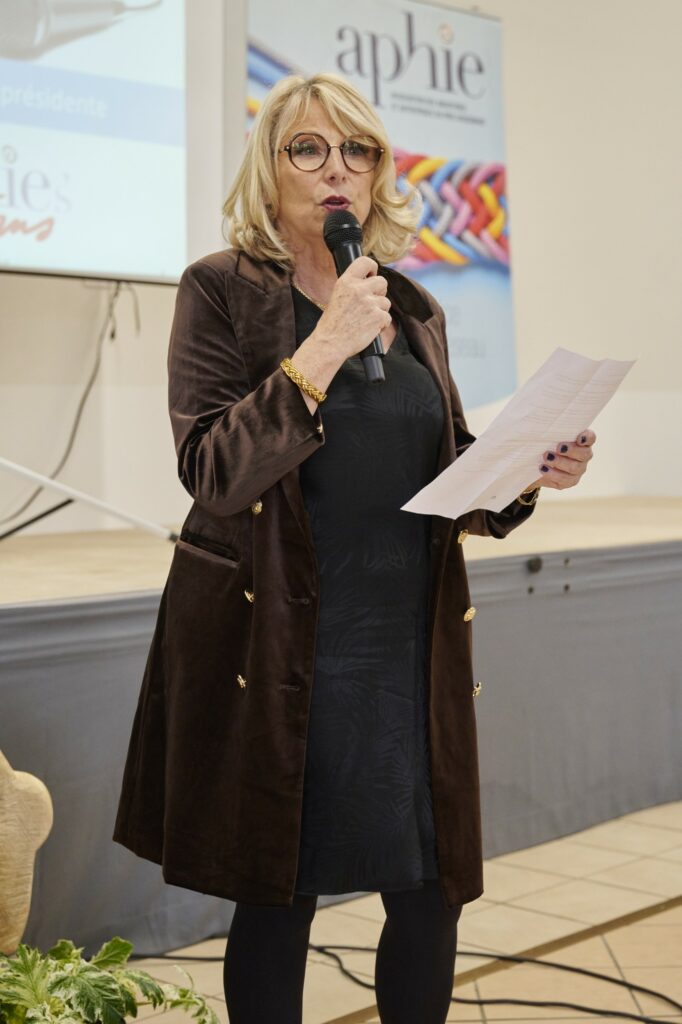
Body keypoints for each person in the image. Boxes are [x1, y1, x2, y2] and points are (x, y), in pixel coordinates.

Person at [112, 72, 596, 1024]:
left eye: (358, 150)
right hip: (288, 645)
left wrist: (529, 472)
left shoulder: (411, 305)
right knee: (278, 895)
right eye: (309, 148)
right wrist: (322, 350)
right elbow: (212, 470)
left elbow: (448, 476)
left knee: (429, 891)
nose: (337, 168)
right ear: (271, 168)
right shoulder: (221, 290)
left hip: (405, 645)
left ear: (378, 175)